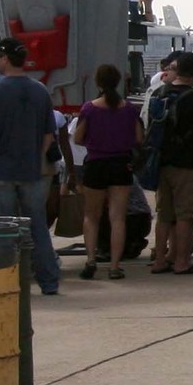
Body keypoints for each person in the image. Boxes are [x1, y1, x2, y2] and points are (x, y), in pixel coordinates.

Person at [0, 39, 63, 295]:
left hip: (1, 168)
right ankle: (48, 280)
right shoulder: (40, 90)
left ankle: (7, 282)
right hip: (31, 170)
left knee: (3, 228)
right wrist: (35, 155)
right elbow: (48, 135)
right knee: (37, 226)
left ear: (4, 58)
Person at [72, 62, 142, 281]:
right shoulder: (129, 109)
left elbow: (77, 137)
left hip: (96, 163)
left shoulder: (89, 108)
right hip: (121, 164)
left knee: (91, 216)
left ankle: (91, 260)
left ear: (98, 82)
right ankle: (114, 265)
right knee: (117, 217)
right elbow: (139, 138)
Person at [149, 52, 193, 276]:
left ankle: (160, 259)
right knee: (186, 215)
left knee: (164, 215)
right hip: (188, 163)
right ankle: (182, 261)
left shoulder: (159, 93)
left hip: (161, 161)